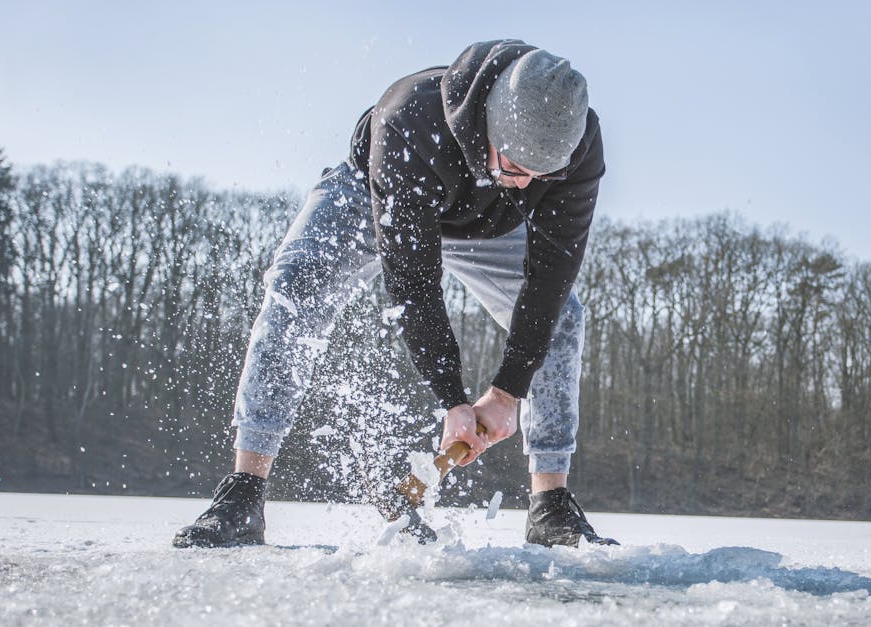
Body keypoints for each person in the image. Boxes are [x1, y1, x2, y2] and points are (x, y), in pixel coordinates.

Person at [173, 39, 616, 549]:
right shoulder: (410, 118)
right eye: (516, 168)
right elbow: (414, 282)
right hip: (374, 193)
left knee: (565, 317)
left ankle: (550, 506)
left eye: (543, 176)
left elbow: (550, 278)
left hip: (487, 226)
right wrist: (452, 399)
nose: (526, 186)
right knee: (295, 289)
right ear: (491, 127)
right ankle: (243, 492)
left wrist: (506, 391)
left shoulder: (577, 143)